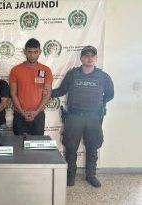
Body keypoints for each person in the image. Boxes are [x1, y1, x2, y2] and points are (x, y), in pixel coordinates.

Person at [52, 45, 114, 187]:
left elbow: (110, 94)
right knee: (71, 147)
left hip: (94, 117)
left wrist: (100, 103)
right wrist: (46, 93)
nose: (89, 58)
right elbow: (62, 91)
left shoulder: (103, 76)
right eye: (86, 55)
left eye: (92, 55)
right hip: (75, 117)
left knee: (93, 147)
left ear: (96, 58)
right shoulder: (73, 74)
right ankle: (70, 176)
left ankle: (91, 175)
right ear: (81, 58)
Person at [9, 38, 53, 135]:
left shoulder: (46, 70)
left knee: (37, 147)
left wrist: (36, 112)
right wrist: (22, 112)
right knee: (18, 145)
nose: (32, 55)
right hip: (19, 115)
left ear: (40, 52)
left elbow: (48, 93)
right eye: (29, 52)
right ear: (25, 52)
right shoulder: (15, 70)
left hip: (38, 115)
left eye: (35, 52)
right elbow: (13, 93)